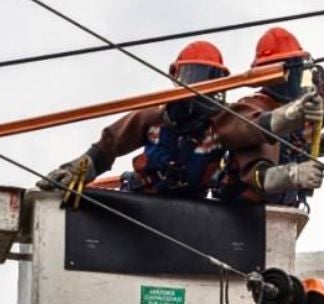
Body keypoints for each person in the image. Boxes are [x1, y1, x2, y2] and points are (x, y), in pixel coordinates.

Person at [214, 26, 324, 204]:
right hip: (242, 210)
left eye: (298, 67)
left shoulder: (306, 103)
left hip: (284, 211)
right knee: (261, 137)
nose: (295, 76)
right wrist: (292, 175)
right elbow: (250, 135)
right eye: (291, 68)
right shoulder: (252, 105)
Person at [37, 41, 231, 199]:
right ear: (176, 77)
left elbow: (249, 133)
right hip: (143, 199)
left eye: (211, 79)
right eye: (195, 76)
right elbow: (109, 145)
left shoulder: (222, 126)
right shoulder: (154, 118)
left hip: (193, 209)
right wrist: (75, 171)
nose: (202, 86)